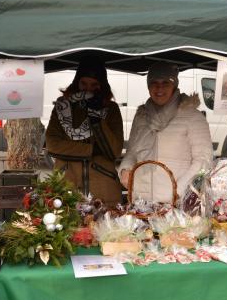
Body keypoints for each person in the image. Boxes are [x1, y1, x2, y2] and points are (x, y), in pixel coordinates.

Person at [119, 62, 212, 203]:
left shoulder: (193, 117)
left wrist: (179, 190)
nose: (159, 88)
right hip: (141, 202)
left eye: (165, 82)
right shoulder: (141, 116)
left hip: (174, 203)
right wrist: (125, 169)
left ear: (174, 85)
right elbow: (132, 152)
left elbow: (203, 161)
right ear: (148, 86)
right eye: (154, 82)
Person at [45, 60, 124, 206]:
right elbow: (52, 144)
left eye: (94, 85)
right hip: (67, 184)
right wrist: (91, 150)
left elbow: (115, 150)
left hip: (104, 187)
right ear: (77, 83)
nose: (88, 89)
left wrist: (97, 119)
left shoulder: (111, 109)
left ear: (102, 86)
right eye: (84, 83)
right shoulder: (62, 107)